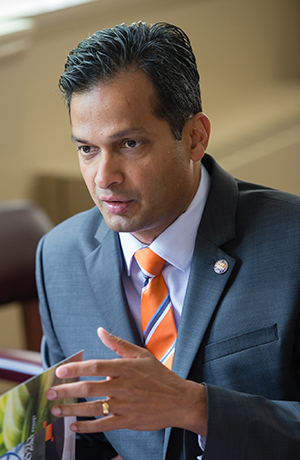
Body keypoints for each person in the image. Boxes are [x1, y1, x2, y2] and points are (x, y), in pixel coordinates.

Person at [36, 21, 300, 460]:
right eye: (87, 149)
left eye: (130, 143)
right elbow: (74, 433)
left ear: (195, 137)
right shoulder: (59, 258)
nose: (104, 178)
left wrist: (196, 407)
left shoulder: (291, 244)